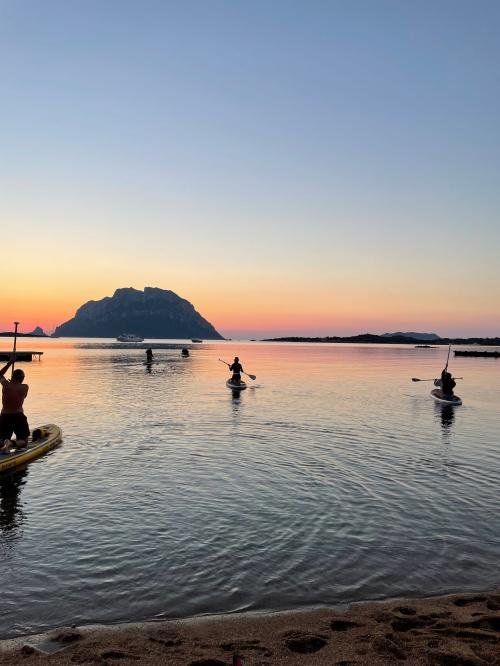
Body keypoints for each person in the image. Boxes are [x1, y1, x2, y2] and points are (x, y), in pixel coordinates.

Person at [0, 356, 30, 453]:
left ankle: (5, 442)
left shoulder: (5, 385)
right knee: (24, 442)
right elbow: (23, 396)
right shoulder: (24, 387)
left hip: (5, 416)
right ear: (22, 379)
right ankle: (11, 443)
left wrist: (9, 363)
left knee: (1, 439)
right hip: (18, 415)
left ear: (12, 377)